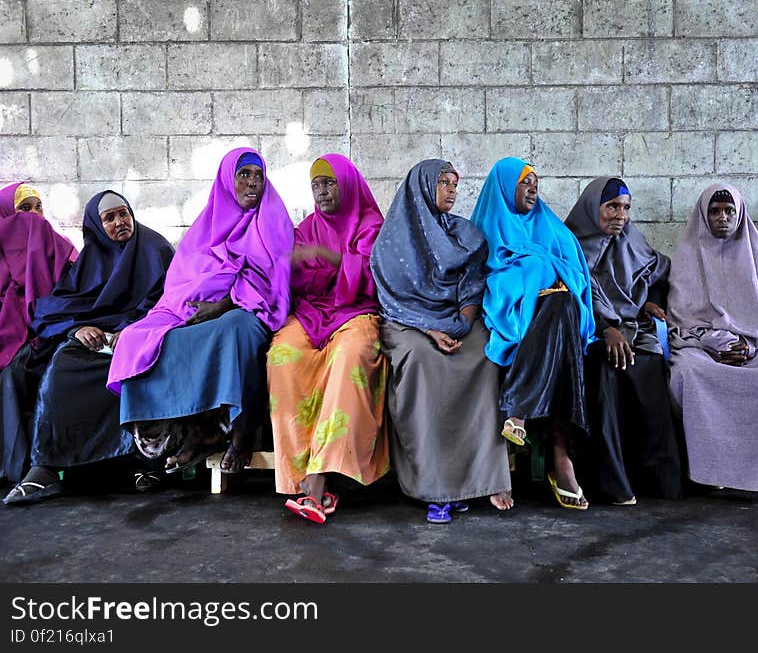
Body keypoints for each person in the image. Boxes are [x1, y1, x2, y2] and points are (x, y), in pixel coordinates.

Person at [107, 148, 294, 476]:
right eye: (244, 175)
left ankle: (241, 432)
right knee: (143, 338)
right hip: (199, 308)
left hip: (252, 309)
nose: (253, 183)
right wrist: (187, 310)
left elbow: (275, 281)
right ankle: (199, 430)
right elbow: (182, 282)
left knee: (234, 329)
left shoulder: (272, 219)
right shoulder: (205, 226)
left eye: (258, 176)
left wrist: (223, 304)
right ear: (227, 181)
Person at [3, 190, 174, 504]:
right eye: (109, 218)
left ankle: (137, 464)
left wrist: (133, 330)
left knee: (122, 371)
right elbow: (54, 307)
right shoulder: (91, 259)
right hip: (99, 339)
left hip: (141, 338)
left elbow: (170, 302)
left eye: (124, 214)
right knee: (65, 364)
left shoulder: (156, 249)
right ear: (96, 225)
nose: (120, 222)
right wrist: (79, 327)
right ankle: (47, 467)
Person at [371, 159, 513, 524]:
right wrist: (430, 328)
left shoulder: (465, 234)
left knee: (485, 354)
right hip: (407, 324)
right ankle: (434, 486)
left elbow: (471, 286)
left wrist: (463, 322)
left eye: (454, 184)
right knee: (422, 361)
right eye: (443, 183)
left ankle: (481, 478)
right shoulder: (391, 240)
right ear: (422, 188)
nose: (451, 190)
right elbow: (391, 297)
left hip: (455, 321)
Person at [667, 184, 758, 494]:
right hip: (701, 346)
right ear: (704, 216)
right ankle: (711, 475)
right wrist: (716, 342)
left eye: (729, 211)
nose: (722, 217)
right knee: (689, 374)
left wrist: (748, 343)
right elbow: (682, 317)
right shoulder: (686, 257)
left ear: (739, 214)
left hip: (757, 346)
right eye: (715, 211)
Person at [269, 154, 390, 524]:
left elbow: (373, 276)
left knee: (350, 357)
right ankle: (298, 474)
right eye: (316, 185)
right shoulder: (305, 228)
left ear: (348, 185)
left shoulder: (372, 225)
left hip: (357, 312)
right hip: (313, 313)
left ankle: (320, 478)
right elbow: (297, 283)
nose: (322, 192)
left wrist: (330, 258)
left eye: (330, 183)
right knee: (283, 356)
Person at [471, 157, 595, 510]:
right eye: (525, 182)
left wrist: (540, 269)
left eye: (535, 183)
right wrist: (537, 272)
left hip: (556, 318)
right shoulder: (486, 228)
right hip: (519, 317)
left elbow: (576, 275)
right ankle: (561, 457)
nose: (532, 189)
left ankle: (518, 412)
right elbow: (493, 281)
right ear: (506, 188)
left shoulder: (551, 227)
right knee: (560, 312)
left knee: (563, 306)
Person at [565, 177, 683, 505]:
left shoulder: (631, 239)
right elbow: (570, 295)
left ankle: (659, 481)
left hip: (630, 328)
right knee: (605, 371)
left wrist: (646, 302)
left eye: (626, 208)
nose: (621, 216)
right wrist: (605, 328)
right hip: (586, 334)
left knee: (649, 367)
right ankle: (610, 482)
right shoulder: (570, 243)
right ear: (593, 208)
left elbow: (657, 272)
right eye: (612, 207)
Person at [0, 183, 78, 486]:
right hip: (13, 335)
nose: (33, 217)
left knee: (13, 374)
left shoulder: (56, 244)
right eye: (24, 209)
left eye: (38, 208)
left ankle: (20, 467)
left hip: (48, 332)